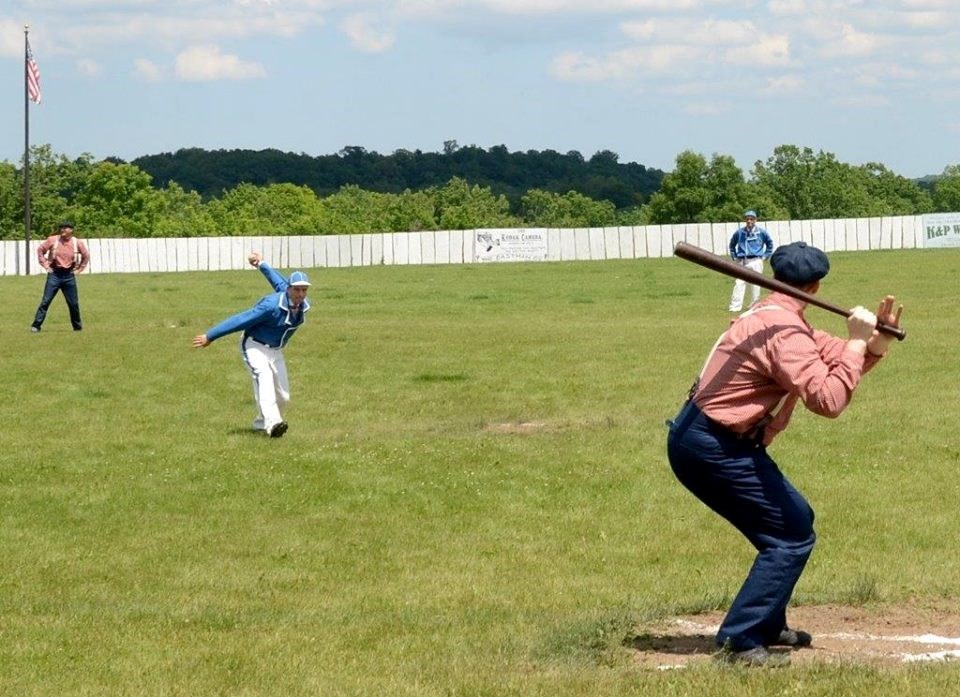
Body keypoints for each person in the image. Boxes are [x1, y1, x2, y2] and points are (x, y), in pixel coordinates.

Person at [666, 241, 903, 667]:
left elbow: (834, 358)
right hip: (711, 446)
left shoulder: (780, 319)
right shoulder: (784, 333)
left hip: (710, 439)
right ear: (816, 285)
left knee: (795, 523)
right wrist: (856, 344)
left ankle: (768, 621)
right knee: (790, 536)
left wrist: (875, 344)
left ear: (777, 279)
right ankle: (740, 640)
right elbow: (828, 399)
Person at [192, 252, 312, 438]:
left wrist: (261, 263)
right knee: (263, 378)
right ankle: (273, 425)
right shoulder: (270, 306)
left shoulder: (301, 304)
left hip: (275, 350)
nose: (300, 294)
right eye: (297, 290)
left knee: (283, 396)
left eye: (304, 290)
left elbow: (277, 281)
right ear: (289, 289)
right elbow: (241, 319)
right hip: (254, 345)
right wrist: (211, 335)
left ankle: (260, 422)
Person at [31, 221, 90, 332]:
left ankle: (77, 327)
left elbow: (86, 256)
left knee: (73, 303)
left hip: (69, 275)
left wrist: (80, 269)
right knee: (46, 301)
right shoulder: (53, 240)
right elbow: (40, 250)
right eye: (61, 228)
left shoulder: (77, 242)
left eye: (65, 228)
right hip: (54, 275)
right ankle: (36, 326)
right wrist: (45, 265)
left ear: (71, 230)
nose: (62, 229)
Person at [728, 210, 774, 312]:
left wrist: (765, 256)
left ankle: (754, 306)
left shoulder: (761, 232)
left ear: (756, 220)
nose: (749, 221)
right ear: (745, 220)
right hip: (742, 260)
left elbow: (770, 244)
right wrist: (734, 256)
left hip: (756, 260)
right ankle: (735, 307)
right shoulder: (739, 233)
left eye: (752, 219)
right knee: (739, 283)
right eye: (747, 219)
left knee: (755, 284)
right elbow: (732, 244)